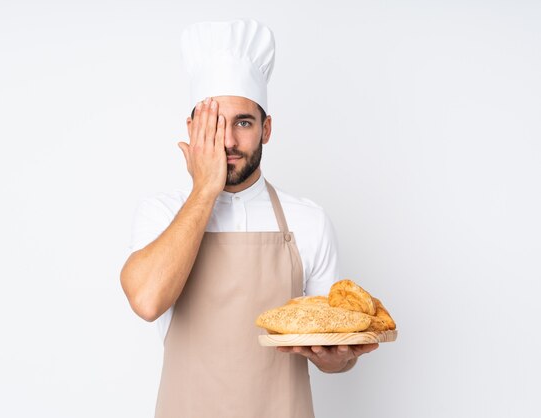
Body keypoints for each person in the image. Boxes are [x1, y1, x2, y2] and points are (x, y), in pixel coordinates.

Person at [120, 19, 378, 418]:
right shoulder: (162, 214)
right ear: (191, 129)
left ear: (266, 129)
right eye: (214, 124)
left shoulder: (307, 221)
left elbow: (335, 347)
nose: (228, 142)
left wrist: (336, 360)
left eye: (243, 122)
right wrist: (205, 188)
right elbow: (148, 300)